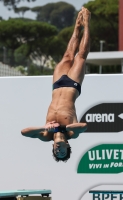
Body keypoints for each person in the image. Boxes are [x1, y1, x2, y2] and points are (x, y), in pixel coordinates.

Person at [21, 7, 91, 162]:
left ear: (53, 147)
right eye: (62, 152)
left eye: (56, 152)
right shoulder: (71, 135)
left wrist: (46, 128)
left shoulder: (46, 136)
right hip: (73, 86)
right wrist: (62, 128)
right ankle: (86, 23)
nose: (58, 150)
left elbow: (24, 132)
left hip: (57, 85)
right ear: (67, 146)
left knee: (67, 55)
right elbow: (83, 126)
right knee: (80, 57)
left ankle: (77, 26)